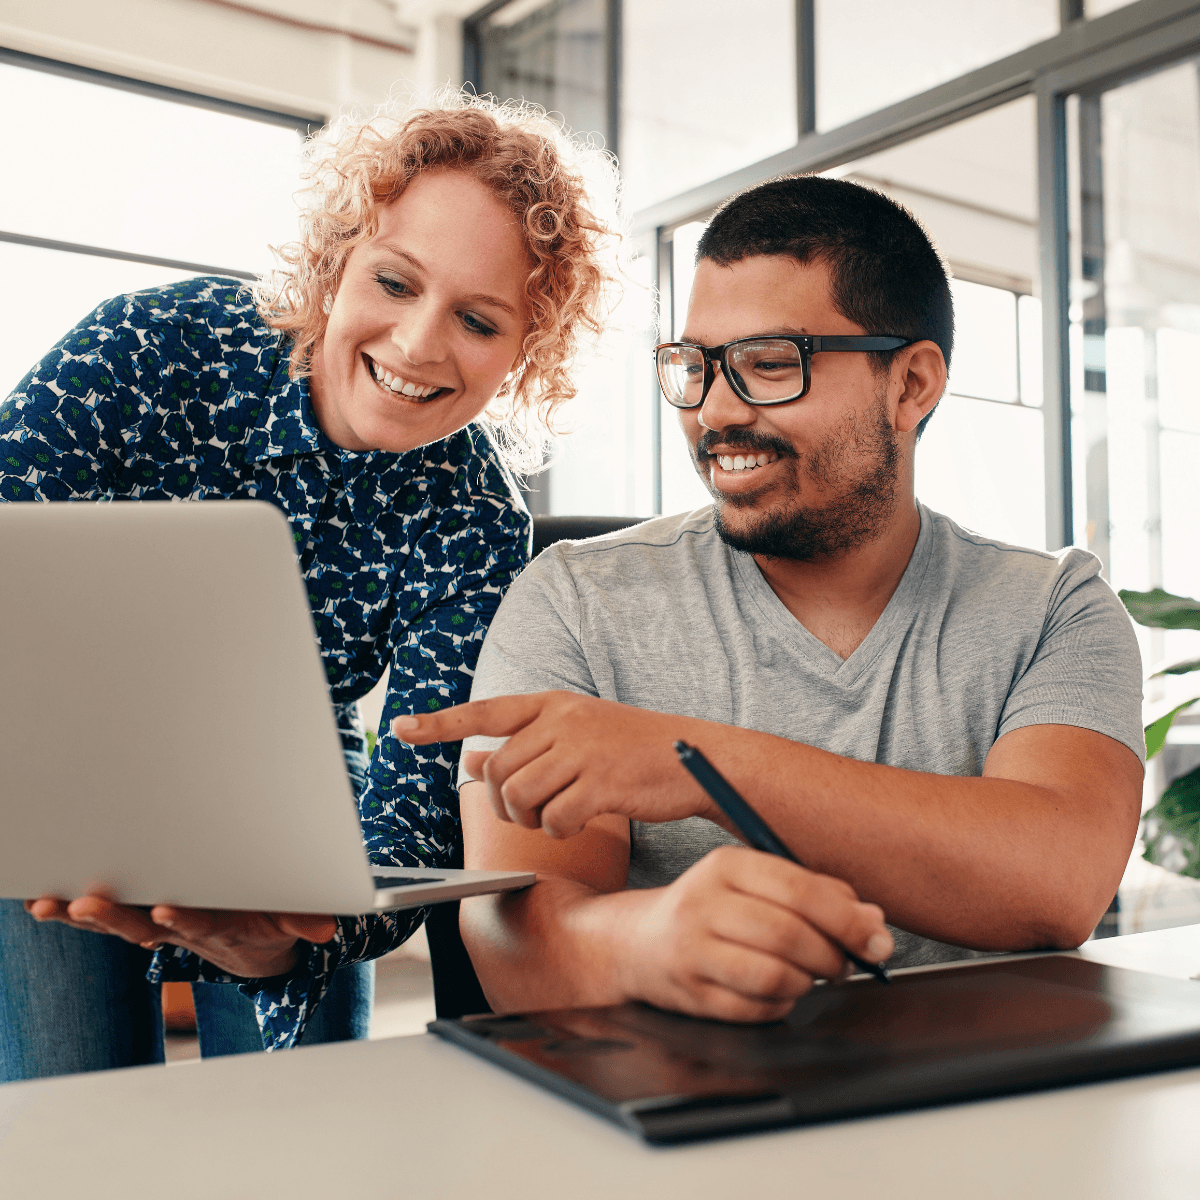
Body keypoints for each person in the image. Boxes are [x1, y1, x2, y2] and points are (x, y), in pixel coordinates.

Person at [393, 174, 1146, 1024]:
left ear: (912, 386)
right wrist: (646, 943)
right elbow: (511, 946)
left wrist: (699, 765)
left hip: (989, 1108)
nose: (714, 411)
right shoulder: (572, 599)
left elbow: (1056, 882)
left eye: (768, 365)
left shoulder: (1056, 607)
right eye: (695, 367)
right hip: (675, 1118)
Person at [0, 93, 621, 1079]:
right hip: (68, 765)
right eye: (395, 280)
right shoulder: (152, 348)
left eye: (478, 318)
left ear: (525, 353)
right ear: (336, 263)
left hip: (288, 793)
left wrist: (302, 934)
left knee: (299, 1121)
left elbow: (418, 802)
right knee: (68, 1111)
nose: (419, 343)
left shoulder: (475, 524)